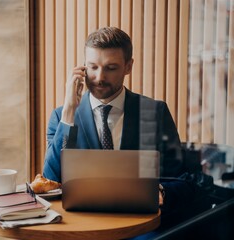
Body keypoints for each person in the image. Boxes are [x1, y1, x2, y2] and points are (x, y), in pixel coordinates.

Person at [42, 27, 209, 228]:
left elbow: (182, 180)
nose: (99, 77)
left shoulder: (153, 113)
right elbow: (50, 181)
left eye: (111, 68)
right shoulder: (62, 117)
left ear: (128, 66)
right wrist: (69, 112)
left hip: (139, 228)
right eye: (92, 67)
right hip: (81, 228)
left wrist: (161, 191)